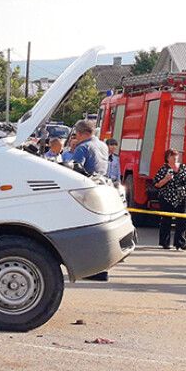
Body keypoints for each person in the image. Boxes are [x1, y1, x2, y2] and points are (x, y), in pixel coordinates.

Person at [66, 120, 111, 281]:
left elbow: (75, 170)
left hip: (85, 192)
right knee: (98, 231)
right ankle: (102, 269)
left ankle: (90, 270)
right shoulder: (103, 146)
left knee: (84, 233)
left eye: (76, 134)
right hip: (102, 187)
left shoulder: (83, 147)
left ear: (80, 133)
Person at [153, 149, 186, 250]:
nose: (175, 158)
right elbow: (156, 184)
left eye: (176, 156)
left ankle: (180, 243)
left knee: (182, 220)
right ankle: (165, 242)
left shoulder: (183, 167)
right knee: (166, 220)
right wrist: (166, 179)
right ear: (167, 158)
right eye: (172, 156)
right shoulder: (164, 169)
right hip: (167, 196)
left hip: (181, 196)